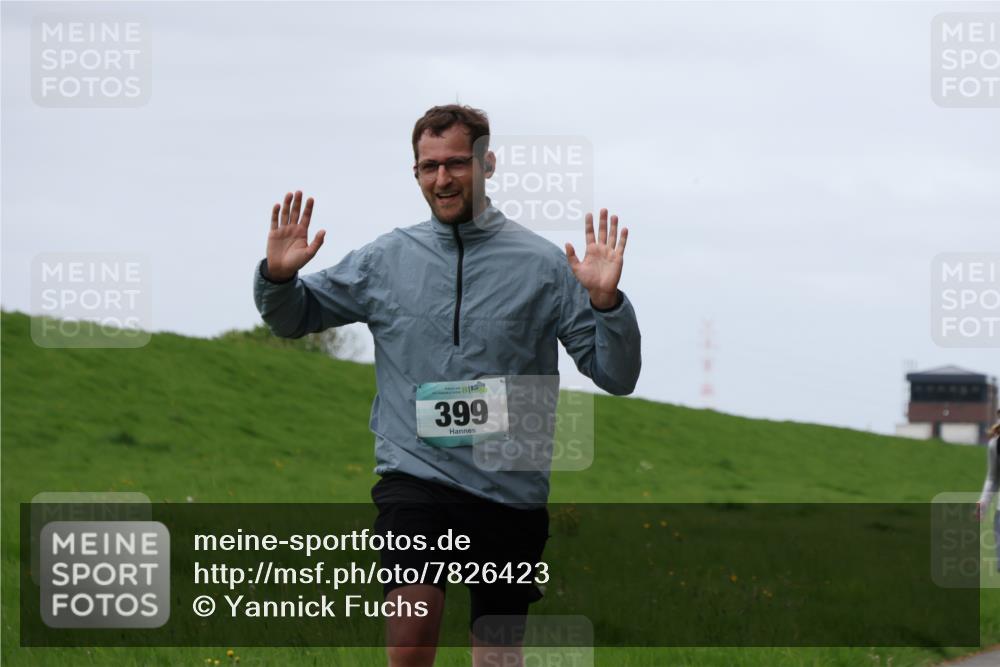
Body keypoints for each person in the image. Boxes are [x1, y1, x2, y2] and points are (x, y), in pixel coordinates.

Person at [253, 104, 641, 667]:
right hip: (416, 477)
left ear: (487, 164)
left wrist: (606, 304)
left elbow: (617, 374)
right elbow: (294, 317)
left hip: (509, 488)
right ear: (415, 172)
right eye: (428, 167)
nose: (442, 179)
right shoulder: (385, 259)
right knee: (411, 638)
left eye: (456, 163)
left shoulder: (545, 266)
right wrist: (279, 278)